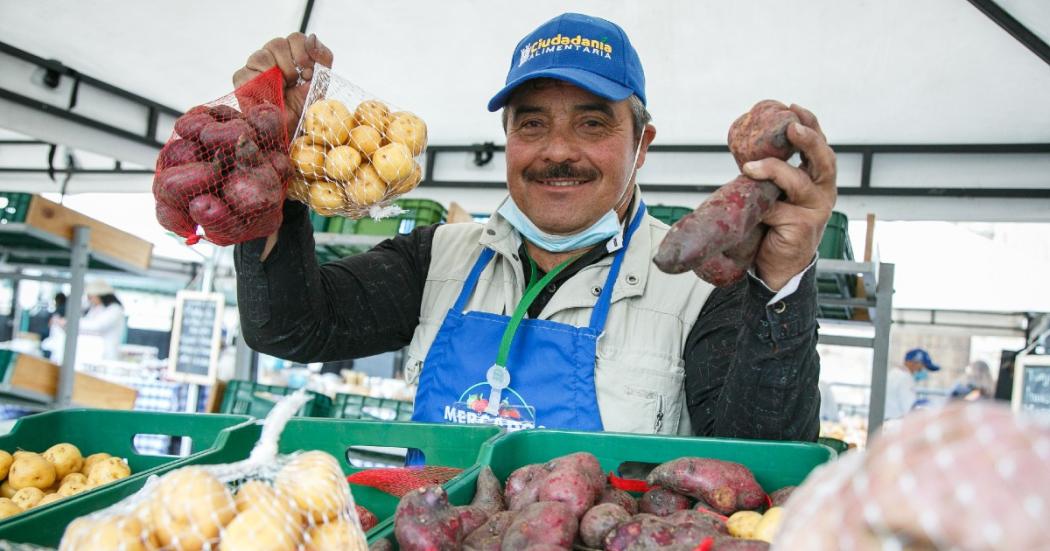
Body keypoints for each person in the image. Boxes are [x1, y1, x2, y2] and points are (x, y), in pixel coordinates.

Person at [231, 13, 837, 439]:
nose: (557, 151)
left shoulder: (703, 287)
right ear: (507, 139)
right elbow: (288, 328)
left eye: (593, 124)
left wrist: (782, 281)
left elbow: (759, 457)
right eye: (532, 124)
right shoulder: (436, 257)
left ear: (641, 145)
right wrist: (271, 165)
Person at [884, 348, 939, 419]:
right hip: (895, 422)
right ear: (913, 363)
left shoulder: (893, 373)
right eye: (923, 367)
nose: (924, 371)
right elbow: (910, 410)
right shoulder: (906, 379)